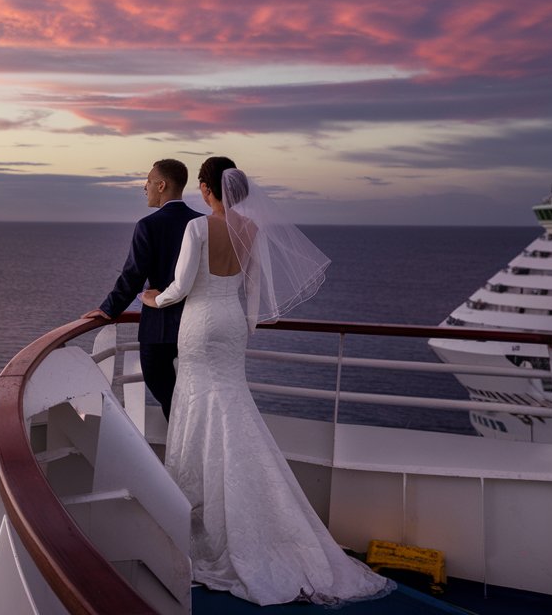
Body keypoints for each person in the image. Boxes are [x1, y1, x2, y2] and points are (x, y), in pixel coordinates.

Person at [142, 157, 392, 606]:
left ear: (205, 188)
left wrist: (151, 298)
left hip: (199, 325)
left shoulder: (197, 230)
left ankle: (198, 526)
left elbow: (179, 287)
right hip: (233, 326)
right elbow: (254, 291)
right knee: (233, 409)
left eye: (201, 186)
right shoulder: (251, 231)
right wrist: (245, 325)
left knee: (197, 408)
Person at [81, 158, 200, 421]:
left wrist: (107, 309)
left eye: (147, 181)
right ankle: (193, 441)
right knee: (194, 393)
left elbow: (133, 276)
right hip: (197, 323)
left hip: (159, 327)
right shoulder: (203, 223)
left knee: (165, 390)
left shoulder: (149, 225)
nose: (144, 187)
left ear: (161, 185)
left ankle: (183, 445)